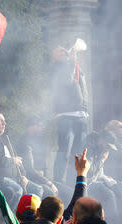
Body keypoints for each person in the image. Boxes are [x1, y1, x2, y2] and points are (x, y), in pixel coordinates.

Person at [50, 46, 89, 185]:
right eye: (61, 51)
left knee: (78, 153)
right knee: (65, 150)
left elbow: (82, 91)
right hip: (65, 115)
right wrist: (72, 62)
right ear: (54, 57)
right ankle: (59, 182)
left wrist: (85, 108)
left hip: (80, 115)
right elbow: (67, 80)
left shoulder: (73, 67)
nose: (66, 52)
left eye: (66, 51)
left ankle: (73, 182)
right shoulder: (57, 69)